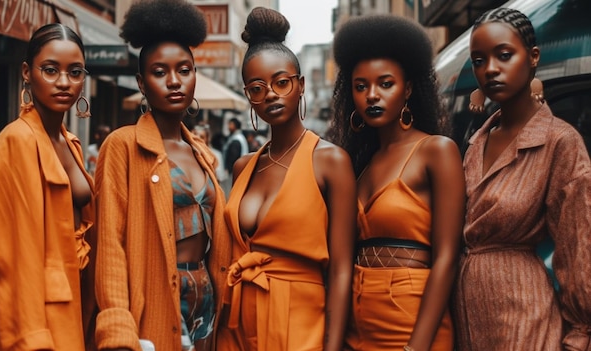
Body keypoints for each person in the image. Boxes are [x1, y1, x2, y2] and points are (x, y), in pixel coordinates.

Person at [216, 7, 356, 351]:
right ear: (248, 95)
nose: (271, 95)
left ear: (301, 85)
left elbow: (341, 268)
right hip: (238, 321)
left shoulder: (330, 161)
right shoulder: (243, 166)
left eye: (282, 82)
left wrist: (331, 345)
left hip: (301, 321)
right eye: (257, 88)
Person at [93, 1, 231, 350]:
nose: (174, 81)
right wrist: (117, 328)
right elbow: (110, 245)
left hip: (207, 306)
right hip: (155, 301)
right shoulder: (123, 146)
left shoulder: (201, 152)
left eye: (184, 70)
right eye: (159, 72)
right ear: (141, 82)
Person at [452, 7, 591, 350]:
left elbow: (577, 245)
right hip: (467, 316)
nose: (490, 70)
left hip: (525, 316)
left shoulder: (559, 141)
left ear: (532, 58)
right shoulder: (475, 142)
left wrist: (580, 333)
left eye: (503, 55)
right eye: (479, 60)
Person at [328, 14, 465, 351]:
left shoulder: (436, 151)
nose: (371, 95)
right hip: (357, 325)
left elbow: (447, 257)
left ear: (408, 88)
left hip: (411, 321)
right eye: (361, 87)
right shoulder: (357, 162)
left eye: (385, 84)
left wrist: (416, 347)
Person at [0, 23, 97, 350]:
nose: (64, 83)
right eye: (51, 70)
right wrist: (31, 339)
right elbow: (13, 256)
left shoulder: (71, 143)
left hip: (73, 298)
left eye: (75, 72)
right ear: (27, 72)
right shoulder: (18, 141)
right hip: (37, 315)